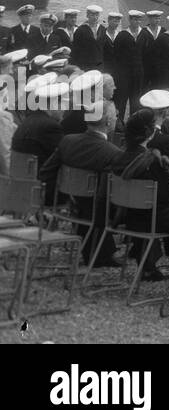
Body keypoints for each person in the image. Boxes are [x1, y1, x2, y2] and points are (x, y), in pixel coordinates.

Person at [39, 95, 122, 267]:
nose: (116, 119)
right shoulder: (112, 152)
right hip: (98, 207)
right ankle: (103, 253)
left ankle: (102, 252)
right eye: (115, 116)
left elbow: (46, 171)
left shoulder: (68, 141)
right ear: (108, 122)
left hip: (69, 199)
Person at [114, 109, 169, 286]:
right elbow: (166, 196)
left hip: (129, 217)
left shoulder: (119, 156)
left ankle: (151, 266)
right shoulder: (151, 162)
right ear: (150, 133)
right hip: (156, 219)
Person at [12, 73, 67, 201]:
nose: (64, 109)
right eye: (62, 104)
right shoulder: (51, 127)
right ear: (53, 104)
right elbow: (64, 157)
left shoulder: (28, 120)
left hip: (20, 186)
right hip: (40, 190)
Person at [113, 11, 146, 118]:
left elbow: (147, 54)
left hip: (138, 73)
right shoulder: (122, 35)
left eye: (139, 20)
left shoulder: (144, 34)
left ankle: (134, 121)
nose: (137, 22)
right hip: (124, 74)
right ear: (130, 20)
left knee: (136, 99)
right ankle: (119, 122)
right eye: (135, 20)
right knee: (121, 99)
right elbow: (116, 55)